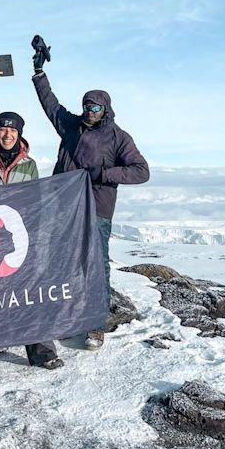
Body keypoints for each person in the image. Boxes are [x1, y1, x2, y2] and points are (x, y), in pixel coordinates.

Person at [30, 38, 149, 350]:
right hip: (64, 208)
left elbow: (141, 170)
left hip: (97, 209)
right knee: (63, 263)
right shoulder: (70, 126)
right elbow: (50, 105)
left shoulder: (118, 137)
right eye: (86, 105)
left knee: (96, 265)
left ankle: (96, 325)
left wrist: (104, 174)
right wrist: (39, 71)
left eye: (94, 107)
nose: (89, 110)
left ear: (105, 108)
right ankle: (67, 317)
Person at [0, 111, 64, 370]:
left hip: (16, 236)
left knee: (28, 293)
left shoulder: (28, 165)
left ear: (19, 133)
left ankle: (42, 351)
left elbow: (32, 200)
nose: (7, 134)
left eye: (13, 130)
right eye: (2, 129)